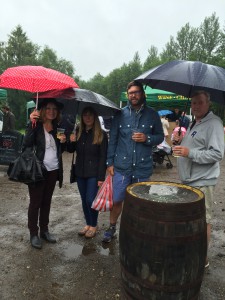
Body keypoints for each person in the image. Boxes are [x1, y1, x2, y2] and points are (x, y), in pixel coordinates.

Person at [102, 80, 164, 243]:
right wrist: (109, 163)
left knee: (140, 202)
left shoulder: (152, 114)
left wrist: (147, 138)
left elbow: (160, 136)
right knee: (117, 200)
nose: (133, 96)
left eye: (136, 92)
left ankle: (137, 230)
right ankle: (112, 227)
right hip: (122, 166)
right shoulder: (120, 114)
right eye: (130, 93)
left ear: (142, 94)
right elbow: (113, 139)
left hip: (142, 167)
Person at [172, 90, 224, 267]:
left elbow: (217, 154)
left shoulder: (214, 123)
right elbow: (193, 146)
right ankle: (191, 251)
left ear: (208, 103)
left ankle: (202, 259)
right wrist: (180, 142)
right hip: (190, 180)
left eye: (200, 102)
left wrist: (189, 152)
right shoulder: (195, 122)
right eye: (193, 103)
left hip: (203, 181)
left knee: (203, 221)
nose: (196, 106)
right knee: (192, 219)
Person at [23, 99, 66, 249]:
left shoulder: (56, 127)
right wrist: (30, 124)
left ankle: (44, 231)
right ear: (42, 110)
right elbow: (26, 145)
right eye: (48, 108)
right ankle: (33, 233)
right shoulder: (35, 125)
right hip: (38, 170)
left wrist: (63, 141)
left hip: (53, 170)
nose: (52, 111)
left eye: (54, 108)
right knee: (35, 203)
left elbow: (58, 149)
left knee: (46, 202)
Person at [68, 107, 108, 238]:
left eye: (90, 115)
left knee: (91, 199)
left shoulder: (101, 134)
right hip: (80, 171)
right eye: (85, 115)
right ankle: (88, 223)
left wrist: (101, 176)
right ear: (82, 117)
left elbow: (103, 157)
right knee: (84, 199)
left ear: (95, 117)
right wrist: (71, 141)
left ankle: (94, 225)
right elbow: (70, 150)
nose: (88, 117)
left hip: (94, 173)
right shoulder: (78, 131)